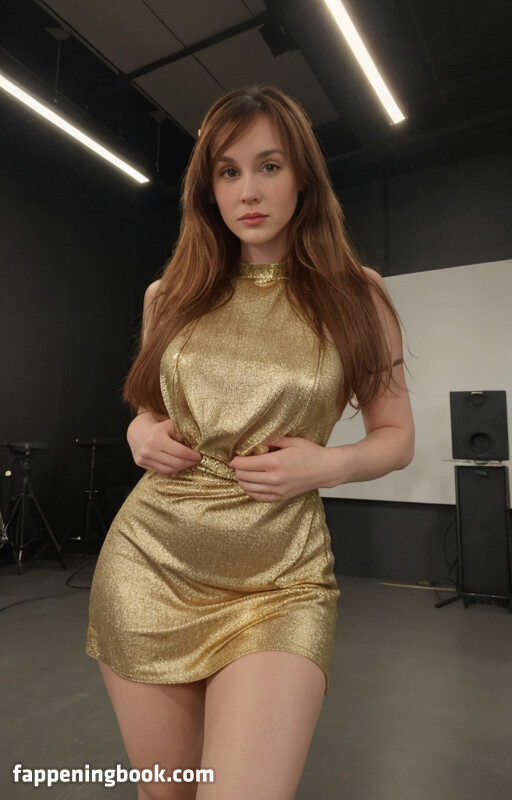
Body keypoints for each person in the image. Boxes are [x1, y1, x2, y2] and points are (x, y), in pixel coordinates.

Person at [86, 82, 414, 800]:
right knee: (165, 792)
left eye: (269, 166)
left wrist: (326, 464)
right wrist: (140, 433)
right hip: (151, 561)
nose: (249, 190)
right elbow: (147, 411)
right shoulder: (169, 295)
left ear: (303, 177)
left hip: (280, 579)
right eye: (228, 172)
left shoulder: (358, 293)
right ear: (208, 190)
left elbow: (395, 438)